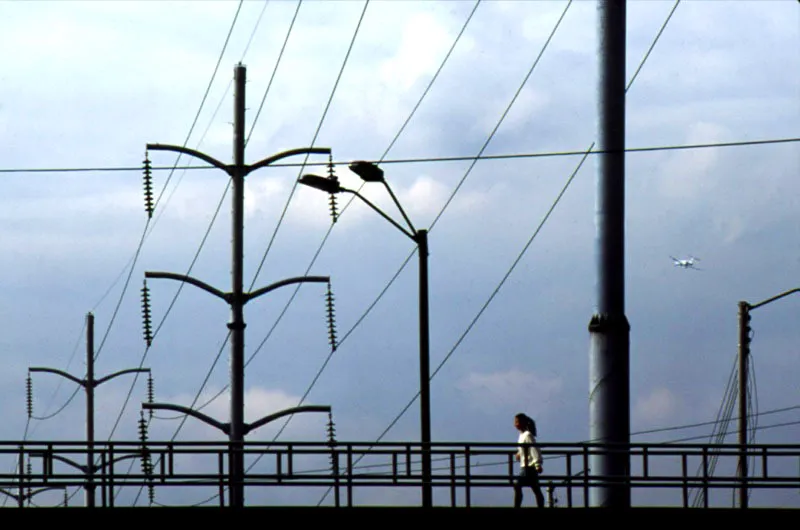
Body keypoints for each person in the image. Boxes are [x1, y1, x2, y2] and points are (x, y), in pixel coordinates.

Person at [513, 412, 545, 508]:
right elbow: (524, 449)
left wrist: (537, 464)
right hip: (526, 466)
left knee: (518, 485)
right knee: (535, 489)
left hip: (529, 467)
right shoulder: (522, 435)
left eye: (517, 422)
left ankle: (517, 506)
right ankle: (540, 506)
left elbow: (534, 449)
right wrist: (519, 453)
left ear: (522, 423)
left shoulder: (527, 435)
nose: (515, 424)